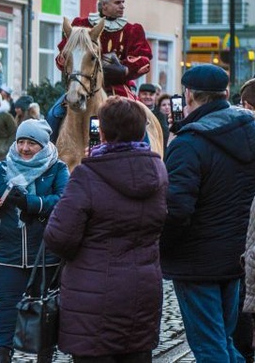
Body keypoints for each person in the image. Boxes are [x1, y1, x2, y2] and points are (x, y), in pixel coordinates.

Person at [43, 96, 168, 362]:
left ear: (102, 131)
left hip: (93, 296)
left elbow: (58, 237)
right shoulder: (158, 171)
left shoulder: (87, 175)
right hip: (143, 291)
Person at [160, 64, 255, 362]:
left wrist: (163, 247)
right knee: (223, 342)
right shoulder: (250, 130)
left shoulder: (188, 143)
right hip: (237, 255)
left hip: (196, 262)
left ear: (188, 96)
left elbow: (176, 210)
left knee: (210, 346)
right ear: (226, 94)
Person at [0, 119, 69, 363]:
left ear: (43, 145)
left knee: (45, 310)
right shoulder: (4, 167)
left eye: (31, 143)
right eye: (21, 142)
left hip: (44, 253)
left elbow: (63, 202)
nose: (25, 148)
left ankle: (44, 357)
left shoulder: (57, 169)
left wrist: (32, 203)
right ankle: (2, 357)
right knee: (6, 308)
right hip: (6, 253)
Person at [47, 0, 153, 140]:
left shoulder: (132, 30)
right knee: (53, 114)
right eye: (118, 2)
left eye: (123, 2)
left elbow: (144, 60)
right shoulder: (81, 25)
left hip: (118, 87)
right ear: (104, 5)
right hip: (83, 83)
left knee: (139, 119)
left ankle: (144, 152)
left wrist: (124, 70)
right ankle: (50, 152)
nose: (122, 6)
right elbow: (62, 57)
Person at [138, 83, 169, 151]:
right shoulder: (135, 112)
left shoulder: (160, 115)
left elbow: (164, 135)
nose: (148, 97)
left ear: (155, 96)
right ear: (139, 95)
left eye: (151, 95)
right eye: (144, 94)